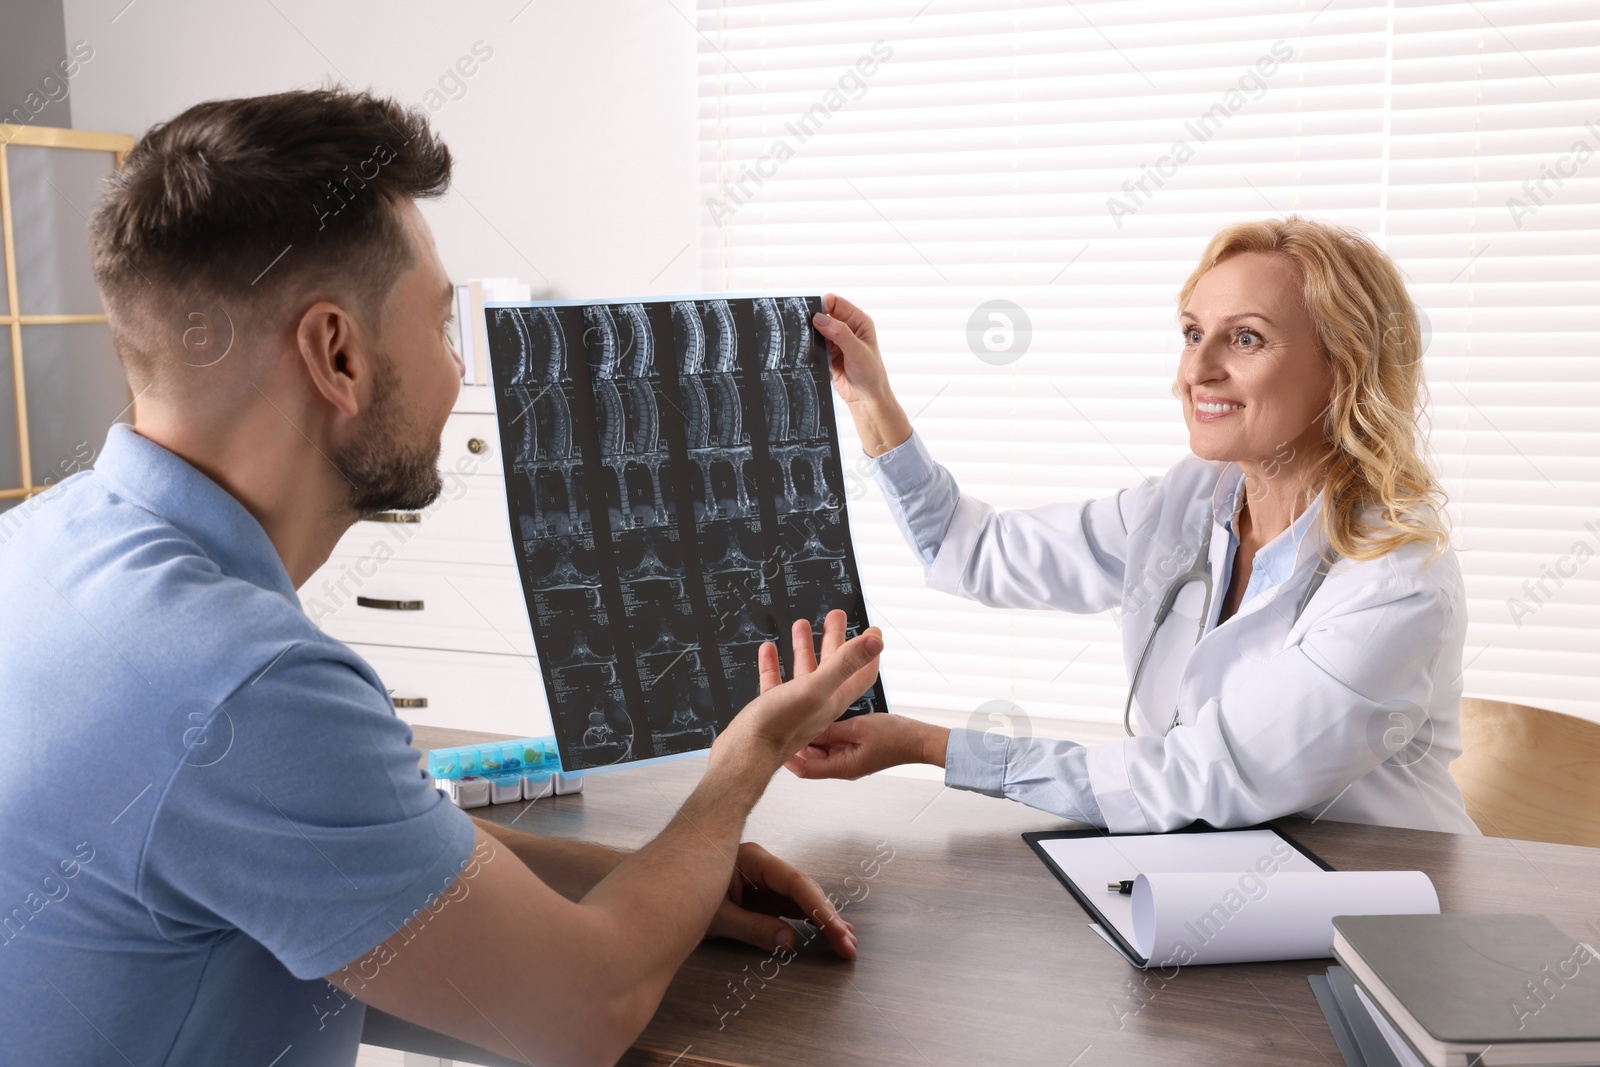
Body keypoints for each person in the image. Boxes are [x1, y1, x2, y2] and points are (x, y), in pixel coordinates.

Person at [0, 88, 883, 1067]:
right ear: (337, 353)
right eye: (440, 323)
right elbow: (580, 1010)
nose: (460, 368)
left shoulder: (35, 549)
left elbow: (364, 848)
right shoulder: (245, 683)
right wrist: (740, 764)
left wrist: (659, 873)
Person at [788, 217, 1481, 837]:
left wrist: (926, 745)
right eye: (1191, 333)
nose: (1197, 370)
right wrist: (871, 399)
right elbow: (970, 549)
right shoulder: (1188, 503)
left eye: (1245, 337)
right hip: (1213, 885)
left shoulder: (1397, 580)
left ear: (1341, 371)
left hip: (1379, 917)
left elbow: (1202, 775)